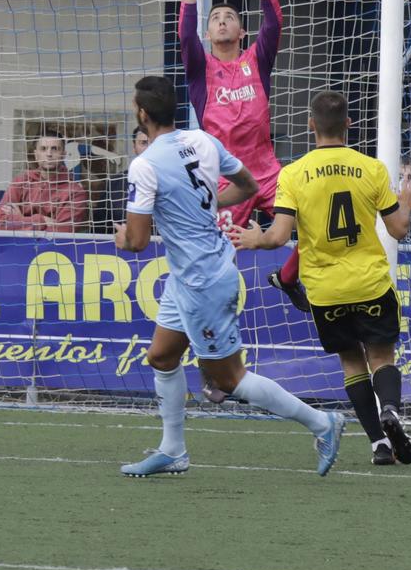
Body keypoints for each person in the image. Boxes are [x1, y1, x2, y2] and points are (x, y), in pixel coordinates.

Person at [116, 74, 344, 478]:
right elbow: (249, 186)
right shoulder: (202, 140)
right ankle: (173, 450)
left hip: (203, 280)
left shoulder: (144, 165)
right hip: (190, 275)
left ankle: (322, 423)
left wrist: (122, 236)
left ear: (142, 114)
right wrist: (195, 201)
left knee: (230, 379)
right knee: (162, 355)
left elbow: (136, 242)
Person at [237, 90, 411, 466]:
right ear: (348, 125)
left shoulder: (293, 175)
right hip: (370, 282)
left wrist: (256, 239)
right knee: (382, 356)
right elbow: (399, 230)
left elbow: (278, 236)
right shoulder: (370, 168)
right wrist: (406, 202)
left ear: (311, 126)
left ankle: (378, 444)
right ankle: (390, 409)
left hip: (325, 291)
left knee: (351, 362)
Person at [175, 0, 311, 309]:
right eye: (215, 17)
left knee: (316, 223)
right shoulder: (200, 71)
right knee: (214, 254)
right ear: (207, 32)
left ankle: (288, 277)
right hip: (223, 177)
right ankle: (207, 315)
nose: (221, 21)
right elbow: (185, 37)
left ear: (241, 30)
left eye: (229, 17)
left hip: (266, 171)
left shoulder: (257, 61)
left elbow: (274, 26)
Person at [0, 134, 89, 234]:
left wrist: (20, 219)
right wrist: (42, 220)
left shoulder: (76, 192)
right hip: (17, 247)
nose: (49, 154)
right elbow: (2, 224)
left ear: (63, 155)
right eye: (43, 149)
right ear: (36, 155)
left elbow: (62, 232)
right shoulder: (20, 182)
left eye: (55, 149)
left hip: (54, 249)